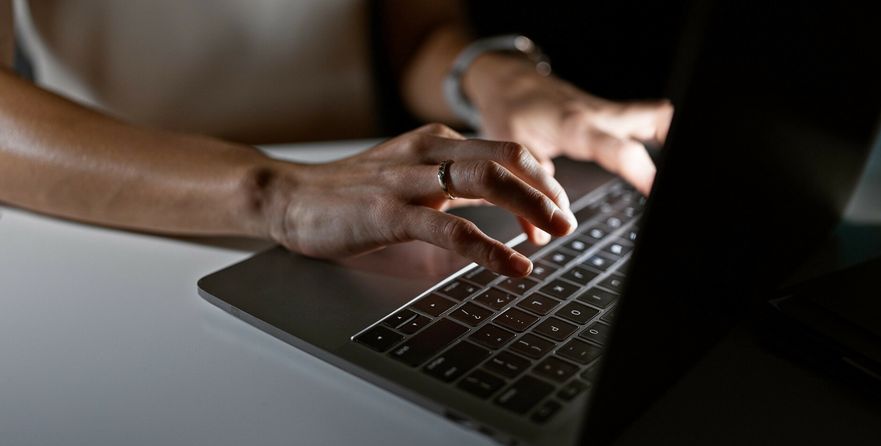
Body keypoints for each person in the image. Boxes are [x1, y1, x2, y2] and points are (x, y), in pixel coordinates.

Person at [0, 0, 672, 277]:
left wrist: (491, 79)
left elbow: (415, 36)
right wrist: (278, 194)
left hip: (370, 217)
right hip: (120, 234)